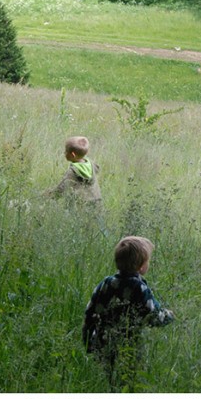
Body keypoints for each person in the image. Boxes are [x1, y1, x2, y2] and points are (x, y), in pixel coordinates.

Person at [82, 235, 173, 385]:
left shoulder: (106, 283)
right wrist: (169, 315)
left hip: (103, 342)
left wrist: (87, 340)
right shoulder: (139, 288)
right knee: (129, 379)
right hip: (130, 345)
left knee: (106, 379)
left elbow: (90, 312)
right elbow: (153, 315)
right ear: (141, 266)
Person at [46, 135, 101, 203]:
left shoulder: (73, 171)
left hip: (80, 204)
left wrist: (50, 195)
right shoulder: (91, 163)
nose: (64, 153)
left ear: (73, 155)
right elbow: (97, 169)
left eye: (66, 151)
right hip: (96, 201)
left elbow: (62, 187)